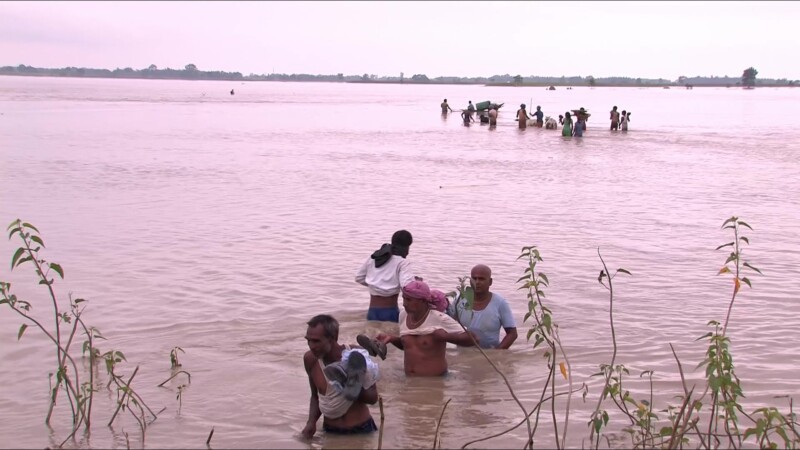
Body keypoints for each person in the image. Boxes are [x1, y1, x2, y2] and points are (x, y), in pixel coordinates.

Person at [372, 280, 476, 376]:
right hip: (410, 383)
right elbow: (411, 347)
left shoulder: (438, 318)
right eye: (403, 298)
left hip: (436, 383)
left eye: (409, 300)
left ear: (422, 301)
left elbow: (474, 340)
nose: (404, 303)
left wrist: (446, 337)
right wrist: (391, 338)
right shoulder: (403, 316)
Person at [302, 315, 379, 439]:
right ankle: (346, 382)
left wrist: (350, 387)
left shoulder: (356, 355)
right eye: (308, 340)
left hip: (360, 430)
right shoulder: (310, 360)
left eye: (316, 341)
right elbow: (315, 396)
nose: (311, 346)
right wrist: (311, 423)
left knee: (349, 383)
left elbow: (373, 397)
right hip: (330, 431)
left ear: (333, 338)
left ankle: (347, 383)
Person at [447, 265, 518, 349]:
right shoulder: (460, 300)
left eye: (481, 279)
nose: (477, 282)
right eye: (474, 278)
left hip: (488, 355)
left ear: (490, 282)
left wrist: (497, 353)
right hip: (462, 356)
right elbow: (445, 325)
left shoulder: (500, 303)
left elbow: (512, 334)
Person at [355, 230, 415, 323]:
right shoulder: (402, 262)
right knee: (392, 336)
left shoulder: (374, 257)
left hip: (372, 312)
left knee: (372, 336)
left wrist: (375, 284)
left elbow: (359, 277)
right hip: (390, 312)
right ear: (406, 247)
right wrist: (417, 283)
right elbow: (407, 287)